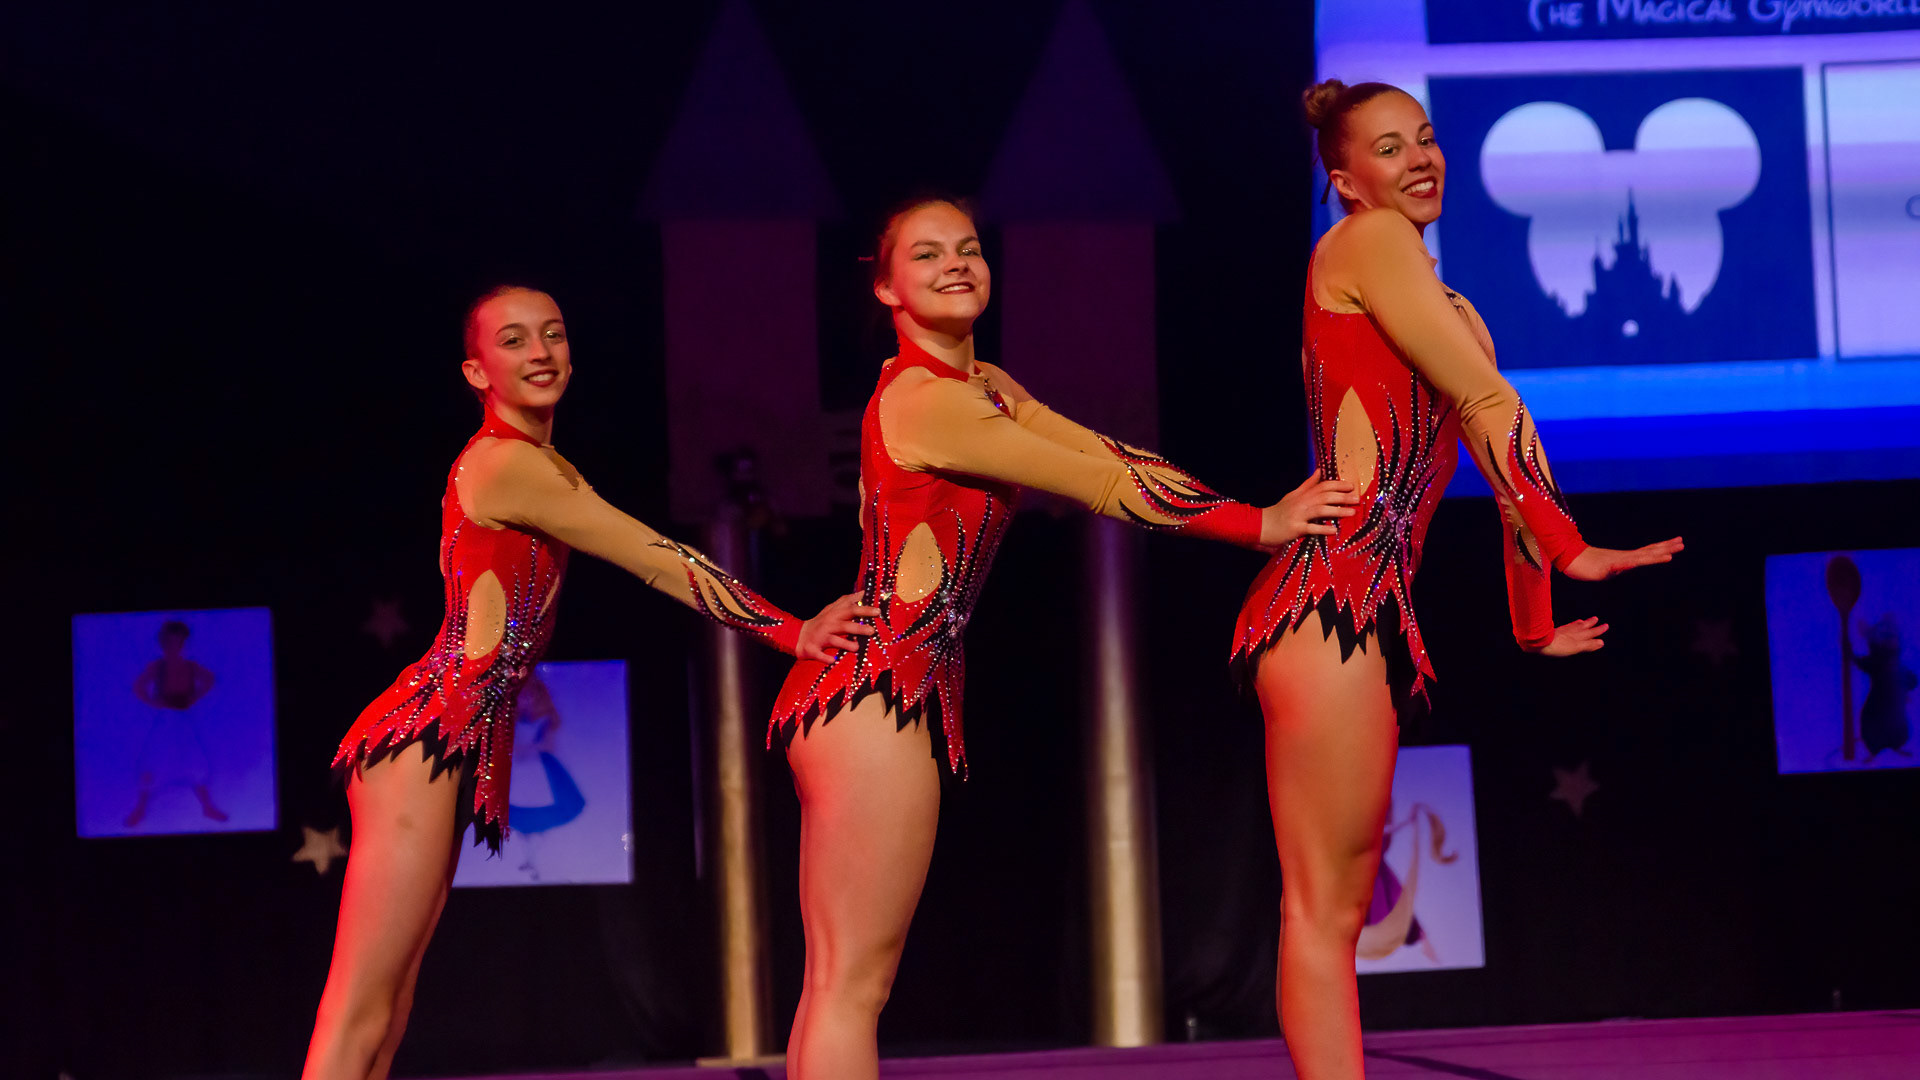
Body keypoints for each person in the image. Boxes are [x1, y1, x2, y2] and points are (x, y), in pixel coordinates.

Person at [766, 197, 1354, 1080]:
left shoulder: (986, 386)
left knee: (838, 985)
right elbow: (1098, 488)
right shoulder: (927, 402)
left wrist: (1244, 505)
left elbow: (1113, 457)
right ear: (886, 288)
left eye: (968, 247)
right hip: (873, 701)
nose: (956, 263)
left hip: (876, 695)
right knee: (850, 988)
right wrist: (1256, 525)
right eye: (927, 255)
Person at [1227, 81, 1684, 1079]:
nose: (1420, 160)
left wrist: (1534, 615)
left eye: (1426, 139)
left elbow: (1492, 452)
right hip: (1328, 604)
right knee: (1322, 912)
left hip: (1364, 618)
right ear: (1346, 181)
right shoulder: (1364, 242)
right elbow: (1489, 402)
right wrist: (1570, 547)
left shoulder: (1455, 310)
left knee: (1337, 911)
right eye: (1390, 148)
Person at [303, 285, 875, 1080]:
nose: (540, 352)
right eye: (513, 340)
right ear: (476, 371)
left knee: (387, 1009)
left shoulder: (534, 463)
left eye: (553, 334)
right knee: (362, 1008)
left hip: (444, 743)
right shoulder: (507, 464)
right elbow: (654, 557)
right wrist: (791, 630)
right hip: (423, 740)